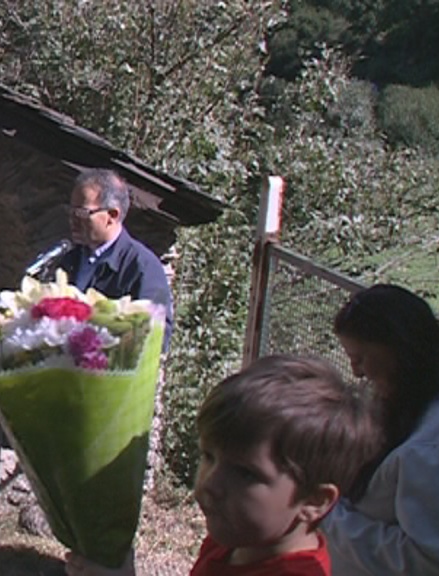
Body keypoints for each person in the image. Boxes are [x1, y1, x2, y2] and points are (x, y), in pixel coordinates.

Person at [65, 355, 379, 576]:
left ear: (314, 501)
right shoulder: (233, 541)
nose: (211, 485)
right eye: (209, 456)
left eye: (245, 473)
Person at [324, 284, 439, 575]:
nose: (357, 372)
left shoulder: (433, 449)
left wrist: (330, 518)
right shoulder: (429, 388)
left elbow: (433, 563)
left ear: (398, 346)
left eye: (360, 357)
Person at [58, 169, 174, 349]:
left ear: (112, 216)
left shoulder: (142, 267)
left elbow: (157, 337)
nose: (72, 220)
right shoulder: (69, 258)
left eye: (81, 213)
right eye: (70, 211)